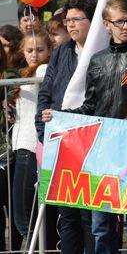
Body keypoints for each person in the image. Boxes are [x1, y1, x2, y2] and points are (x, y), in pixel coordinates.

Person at [43, 0, 127, 254]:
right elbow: (90, 107)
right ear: (106, 25)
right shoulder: (98, 60)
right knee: (101, 225)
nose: (126, 26)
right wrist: (59, 116)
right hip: (103, 151)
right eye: (119, 22)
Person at [36, 0, 97, 254]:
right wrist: (44, 129)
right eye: (67, 20)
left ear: (92, 21)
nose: (70, 25)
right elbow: (46, 94)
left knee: (92, 218)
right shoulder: (61, 52)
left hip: (94, 143)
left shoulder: (102, 52)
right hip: (62, 144)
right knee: (68, 216)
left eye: (76, 20)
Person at [13, 29, 51, 246]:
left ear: (49, 51)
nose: (34, 54)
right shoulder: (26, 72)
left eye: (40, 49)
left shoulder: (43, 70)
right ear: (23, 51)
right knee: (22, 212)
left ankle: (33, 248)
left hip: (30, 144)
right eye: (30, 50)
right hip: (21, 145)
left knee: (23, 213)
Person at [0, 46, 23, 253]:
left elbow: (12, 112)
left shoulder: (9, 76)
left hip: (9, 152)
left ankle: (14, 249)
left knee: (14, 208)